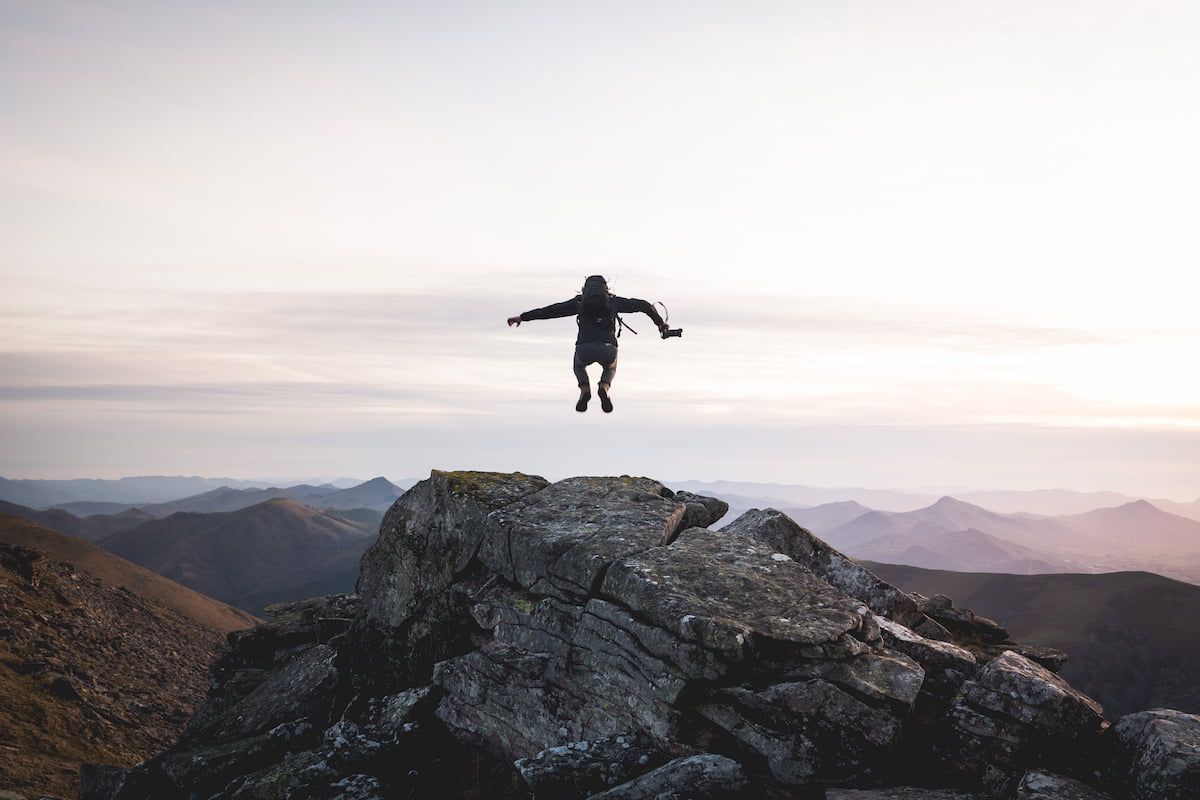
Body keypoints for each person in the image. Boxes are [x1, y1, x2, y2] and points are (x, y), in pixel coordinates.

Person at [507, 275, 672, 413]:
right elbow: (644, 305)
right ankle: (604, 387)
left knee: (578, 365)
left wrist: (522, 317)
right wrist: (660, 324)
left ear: (584, 289)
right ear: (606, 288)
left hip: (585, 348)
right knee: (610, 367)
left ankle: (584, 388)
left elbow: (549, 311)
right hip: (608, 349)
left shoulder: (579, 302)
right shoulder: (613, 301)